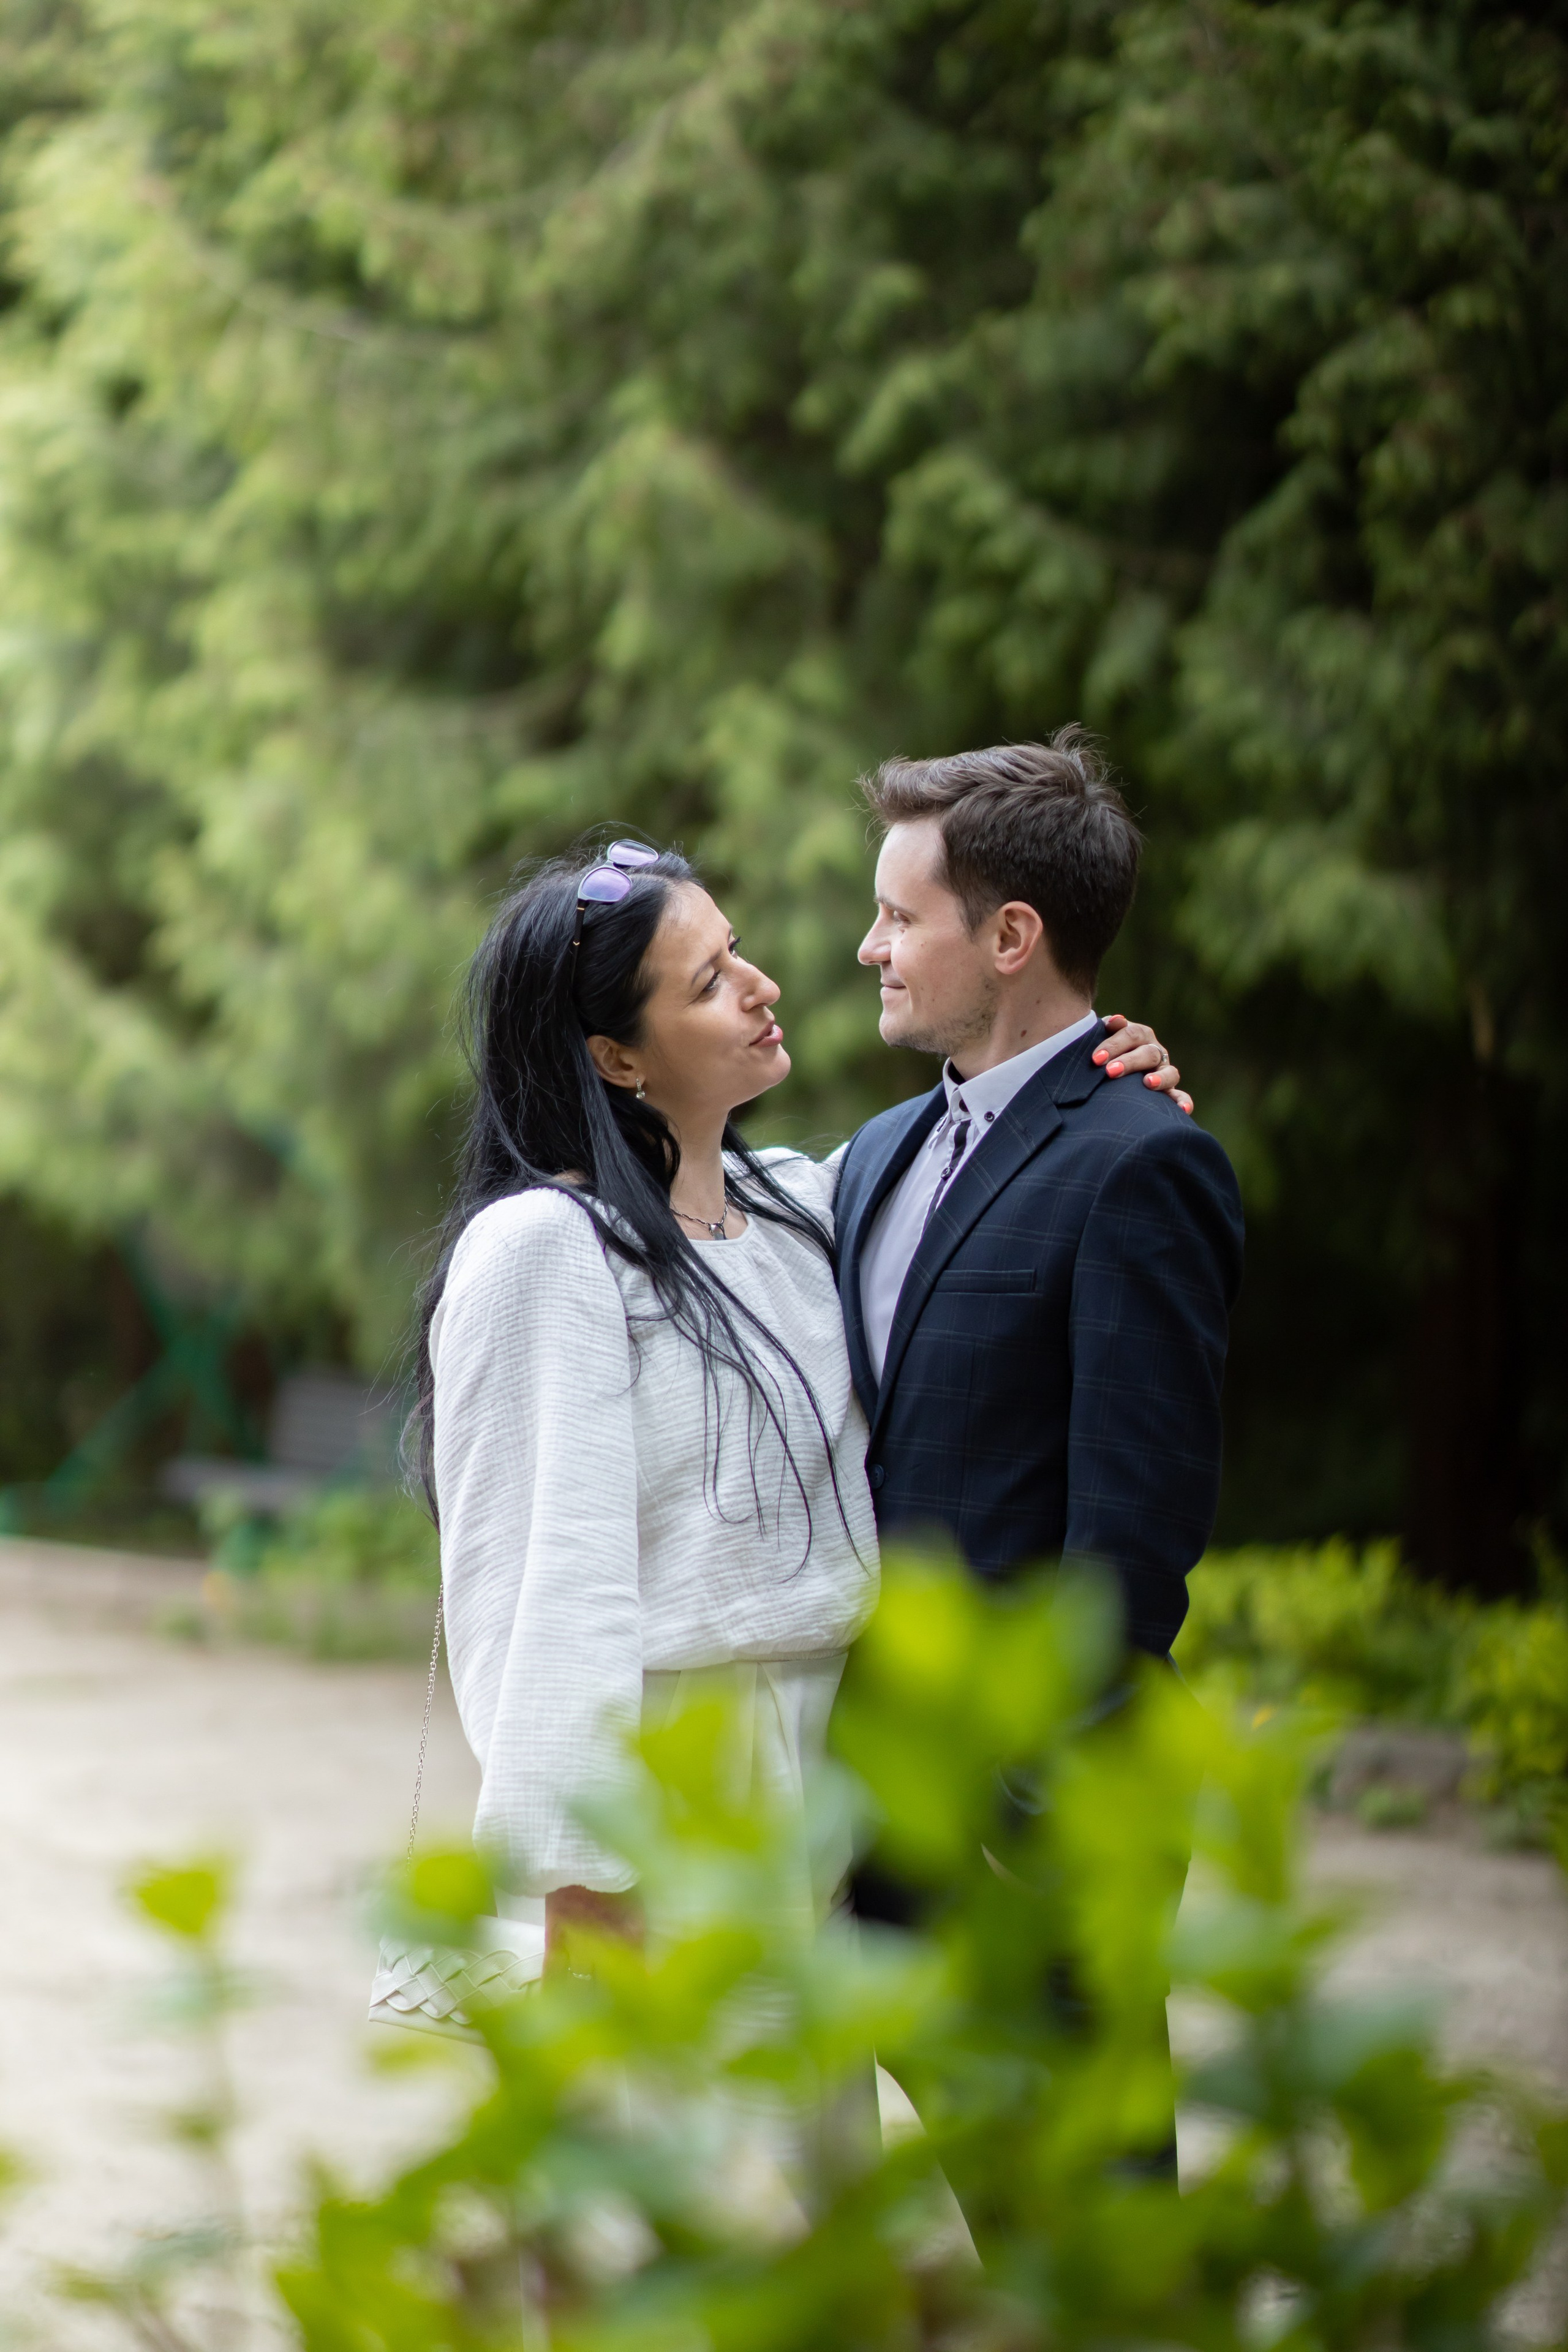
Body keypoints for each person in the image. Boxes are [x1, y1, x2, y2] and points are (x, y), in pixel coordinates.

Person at [417, 837, 1185, 1965]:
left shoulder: (802, 1210)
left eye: (738, 952)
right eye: (710, 982)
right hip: (676, 1791)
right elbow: (548, 1594)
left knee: (816, 2141)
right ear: (618, 1058)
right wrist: (581, 1889)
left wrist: (1094, 1068)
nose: (762, 985)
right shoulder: (548, 1249)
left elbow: (988, 1156)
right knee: (698, 2134)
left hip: (836, 1789)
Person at [834, 730, 1245, 1922]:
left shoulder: (1143, 1164)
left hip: (1024, 1837)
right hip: (856, 1807)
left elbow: (1128, 1546)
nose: (869, 948)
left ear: (1010, 938)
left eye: (898, 920)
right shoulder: (871, 1158)